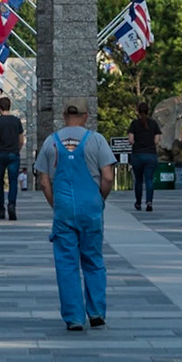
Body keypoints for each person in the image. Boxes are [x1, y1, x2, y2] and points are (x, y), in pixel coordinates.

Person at [35, 104, 116, 331]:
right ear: (86, 115)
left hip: (63, 209)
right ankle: (97, 311)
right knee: (93, 260)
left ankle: (74, 317)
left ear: (64, 116)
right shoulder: (97, 140)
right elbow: (108, 176)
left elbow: (43, 181)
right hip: (91, 207)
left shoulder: (51, 142)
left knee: (67, 263)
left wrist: (55, 204)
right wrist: (100, 199)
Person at [0, 95, 25, 220]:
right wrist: (17, 149)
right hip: (13, 154)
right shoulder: (16, 121)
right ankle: (12, 204)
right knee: (13, 182)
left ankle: (0, 209)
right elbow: (21, 139)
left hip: (0, 154)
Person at [126, 102, 161, 213]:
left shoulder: (134, 124)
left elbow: (130, 140)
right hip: (151, 154)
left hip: (137, 154)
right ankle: (149, 202)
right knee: (149, 180)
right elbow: (157, 140)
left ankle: (138, 202)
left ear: (138, 111)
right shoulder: (153, 124)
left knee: (138, 180)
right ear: (148, 111)